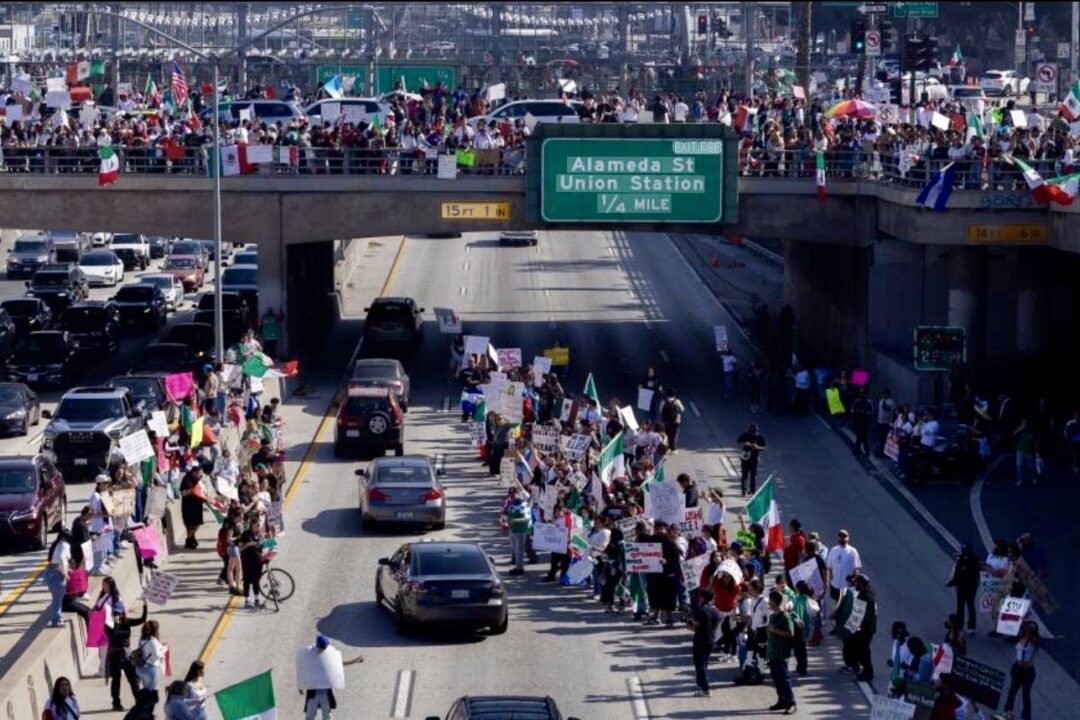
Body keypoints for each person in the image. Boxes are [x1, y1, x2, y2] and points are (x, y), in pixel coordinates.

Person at [301, 634, 364, 720]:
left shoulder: (318, 656)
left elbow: (303, 670)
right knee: (319, 717)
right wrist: (300, 685)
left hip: (318, 693)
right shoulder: (318, 656)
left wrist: (354, 661)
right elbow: (303, 670)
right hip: (319, 694)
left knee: (316, 717)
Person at [106, 602, 146, 711]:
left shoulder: (127, 622)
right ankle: (116, 703)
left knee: (133, 680)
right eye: (115, 614)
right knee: (116, 681)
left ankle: (139, 701)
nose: (117, 616)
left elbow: (142, 619)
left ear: (122, 614)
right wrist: (114, 623)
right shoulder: (109, 626)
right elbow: (110, 635)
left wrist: (145, 606)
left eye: (119, 614)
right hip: (115, 656)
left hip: (127, 656)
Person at [766, 590, 797, 713]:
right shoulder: (772, 616)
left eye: (770, 601)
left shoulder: (785, 617)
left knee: (783, 679)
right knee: (776, 679)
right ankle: (782, 700)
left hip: (782, 653)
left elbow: (790, 633)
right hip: (773, 652)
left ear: (774, 602)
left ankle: (791, 702)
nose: (768, 603)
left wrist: (775, 630)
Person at [688, 587, 722, 697]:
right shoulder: (716, 611)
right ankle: (700, 684)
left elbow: (695, 627)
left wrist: (689, 623)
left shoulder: (701, 610)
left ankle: (705, 688)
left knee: (700, 665)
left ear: (703, 598)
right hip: (711, 640)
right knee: (704, 664)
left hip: (700, 640)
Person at [1002, 620, 1039, 720]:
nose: (1027, 631)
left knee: (1025, 693)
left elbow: (1036, 637)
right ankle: (1008, 711)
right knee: (1012, 691)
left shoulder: (1033, 641)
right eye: (1027, 628)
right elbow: (1019, 625)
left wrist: (1032, 627)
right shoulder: (1021, 637)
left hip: (1028, 671)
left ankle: (1026, 715)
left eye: (1030, 630)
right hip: (1018, 669)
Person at [947, 543, 981, 635]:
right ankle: (971, 626)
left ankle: (960, 625)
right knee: (969, 605)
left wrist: (952, 582)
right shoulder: (974, 559)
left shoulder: (963, 559)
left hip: (964, 585)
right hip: (971, 585)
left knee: (962, 606)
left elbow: (958, 572)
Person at [849, 575, 878, 682]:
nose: (855, 584)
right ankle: (864, 669)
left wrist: (857, 627)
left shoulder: (866, 597)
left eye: (857, 583)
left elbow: (866, 616)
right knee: (861, 650)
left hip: (865, 629)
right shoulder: (868, 594)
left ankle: (868, 673)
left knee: (863, 650)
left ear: (861, 583)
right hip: (866, 628)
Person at [134, 620, 167, 708]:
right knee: (151, 694)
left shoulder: (142, 639)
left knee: (146, 691)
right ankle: (148, 711)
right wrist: (164, 648)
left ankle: (144, 708)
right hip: (151, 669)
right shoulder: (153, 641)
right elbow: (157, 655)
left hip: (141, 668)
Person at [43, 528, 72, 627]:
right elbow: (63, 559)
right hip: (57, 574)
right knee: (57, 599)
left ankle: (57, 618)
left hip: (49, 573)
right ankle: (56, 620)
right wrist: (65, 573)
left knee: (56, 598)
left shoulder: (56, 544)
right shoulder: (64, 545)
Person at [826, 529, 862, 603]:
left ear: (848, 538)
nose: (842, 538)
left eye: (844, 536)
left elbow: (857, 568)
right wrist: (829, 581)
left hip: (846, 587)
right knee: (836, 606)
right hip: (835, 585)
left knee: (845, 607)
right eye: (840, 536)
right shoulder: (833, 550)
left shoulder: (852, 551)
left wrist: (853, 580)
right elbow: (829, 567)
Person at [505, 488, 532, 575]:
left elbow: (526, 519)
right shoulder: (511, 504)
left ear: (517, 494)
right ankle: (517, 565)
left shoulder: (523, 505)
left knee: (519, 549)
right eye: (510, 495)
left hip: (520, 530)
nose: (511, 497)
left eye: (513, 495)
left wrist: (515, 521)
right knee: (515, 549)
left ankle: (519, 568)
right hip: (513, 530)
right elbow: (509, 514)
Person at [179, 462, 205, 549]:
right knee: (189, 525)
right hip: (188, 505)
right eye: (198, 474)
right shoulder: (187, 479)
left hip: (197, 505)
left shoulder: (199, 480)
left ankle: (190, 538)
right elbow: (183, 493)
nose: (200, 475)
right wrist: (192, 491)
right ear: (194, 473)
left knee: (197, 523)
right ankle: (190, 540)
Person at [737, 423, 767, 496]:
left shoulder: (760, 437)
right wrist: (745, 443)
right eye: (750, 432)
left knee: (753, 476)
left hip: (754, 459)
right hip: (745, 458)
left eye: (753, 432)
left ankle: (752, 491)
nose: (752, 433)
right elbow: (738, 442)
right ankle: (743, 491)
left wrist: (757, 447)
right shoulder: (745, 435)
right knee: (744, 475)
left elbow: (764, 447)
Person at [850, 388, 874, 456]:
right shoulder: (856, 401)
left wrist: (865, 412)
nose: (861, 395)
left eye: (863, 393)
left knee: (863, 436)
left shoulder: (869, 402)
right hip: (857, 421)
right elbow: (852, 410)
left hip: (865, 422)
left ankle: (859, 449)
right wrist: (857, 412)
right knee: (860, 436)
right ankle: (861, 449)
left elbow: (871, 412)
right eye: (861, 393)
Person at [660, 389, 685, 454]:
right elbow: (682, 409)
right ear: (674, 395)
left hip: (665, 421)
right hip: (675, 421)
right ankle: (673, 449)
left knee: (666, 434)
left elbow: (660, 410)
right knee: (674, 435)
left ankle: (667, 448)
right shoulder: (677, 401)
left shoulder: (663, 401)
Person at [875, 389, 896, 456]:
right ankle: (878, 451)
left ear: (888, 394)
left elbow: (892, 412)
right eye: (883, 393)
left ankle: (882, 452)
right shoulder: (881, 401)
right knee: (879, 437)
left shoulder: (891, 402)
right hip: (879, 421)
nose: (883, 395)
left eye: (884, 394)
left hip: (886, 422)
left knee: (884, 438)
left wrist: (891, 422)